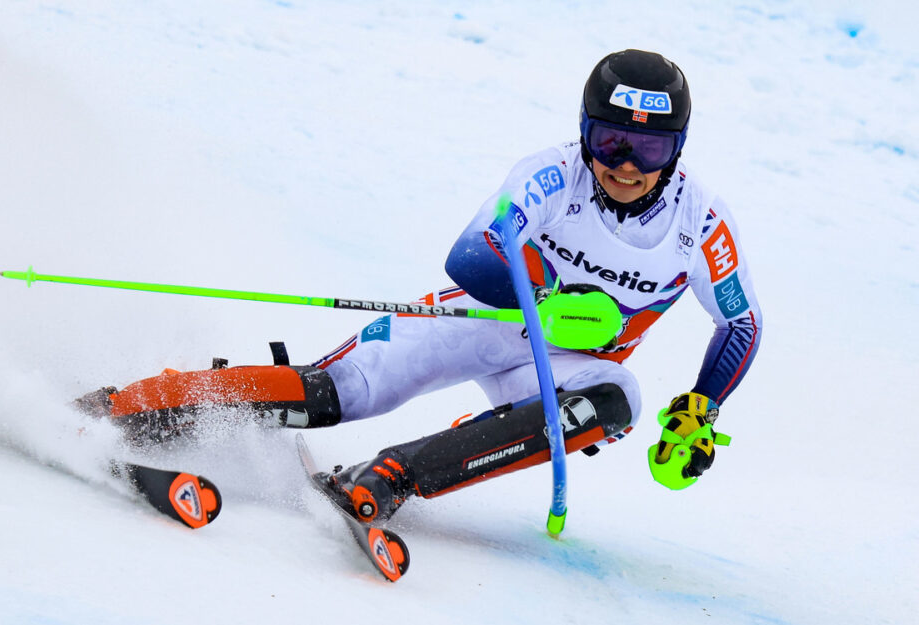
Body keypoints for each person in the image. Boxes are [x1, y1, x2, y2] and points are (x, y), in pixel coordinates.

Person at [78, 49, 762, 523]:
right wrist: (545, 292)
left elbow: (741, 323)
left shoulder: (701, 222)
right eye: (612, 141)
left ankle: (394, 474)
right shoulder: (552, 175)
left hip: (563, 366)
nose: (626, 165)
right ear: (585, 132)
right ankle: (128, 403)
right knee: (335, 393)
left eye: (650, 149)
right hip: (482, 317)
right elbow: (469, 256)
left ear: (677, 149)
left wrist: (703, 405)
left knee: (618, 399)